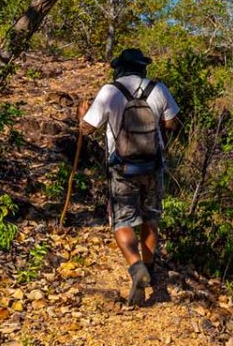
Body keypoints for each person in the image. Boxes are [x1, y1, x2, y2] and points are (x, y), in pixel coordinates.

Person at [78, 48, 179, 306]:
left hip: (122, 169)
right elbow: (171, 122)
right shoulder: (158, 89)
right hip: (153, 167)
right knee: (150, 218)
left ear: (119, 68)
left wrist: (82, 116)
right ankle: (149, 265)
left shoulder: (110, 91)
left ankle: (136, 268)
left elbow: (87, 129)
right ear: (143, 68)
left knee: (122, 222)